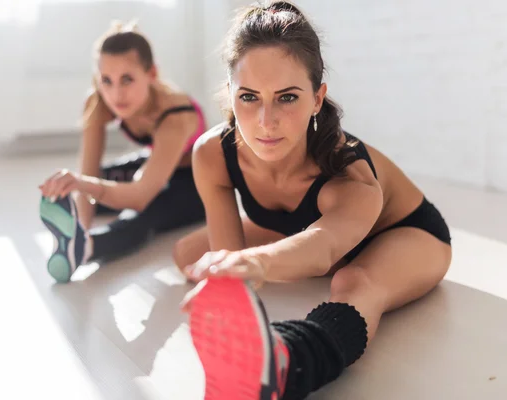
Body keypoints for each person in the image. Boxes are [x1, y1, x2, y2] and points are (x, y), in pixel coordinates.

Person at [174, 2, 452, 399]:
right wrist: (227, 273)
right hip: (304, 231)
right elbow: (229, 255)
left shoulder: (347, 172)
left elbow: (323, 248)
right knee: (189, 254)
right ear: (230, 93)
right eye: (249, 97)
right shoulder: (212, 153)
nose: (266, 121)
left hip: (402, 233)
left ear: (317, 98)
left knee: (354, 280)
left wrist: (257, 261)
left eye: (287, 98)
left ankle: (284, 360)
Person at [38, 21, 206, 283]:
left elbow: (139, 197)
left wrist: (83, 184)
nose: (116, 94)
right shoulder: (98, 100)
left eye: (127, 79)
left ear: (152, 74)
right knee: (95, 179)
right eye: (107, 80)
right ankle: (78, 238)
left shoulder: (176, 116)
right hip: (158, 162)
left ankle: (87, 248)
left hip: (197, 181)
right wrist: (81, 223)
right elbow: (90, 169)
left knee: (143, 211)